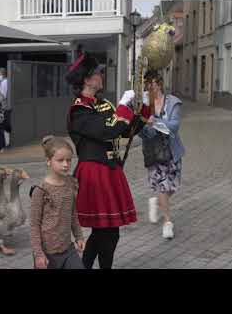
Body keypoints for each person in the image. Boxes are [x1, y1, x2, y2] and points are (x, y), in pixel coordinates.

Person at [66, 52, 147, 269]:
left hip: (109, 170)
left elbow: (124, 132)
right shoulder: (79, 109)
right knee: (107, 233)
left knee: (106, 232)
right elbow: (107, 130)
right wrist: (122, 105)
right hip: (94, 172)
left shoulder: (103, 104)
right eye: (97, 73)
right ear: (86, 79)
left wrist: (143, 109)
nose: (102, 75)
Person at [139, 72, 185, 239]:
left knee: (172, 186)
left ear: (159, 84)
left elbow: (174, 126)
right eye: (147, 85)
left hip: (171, 151)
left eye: (152, 84)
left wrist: (154, 122)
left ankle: (156, 202)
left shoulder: (172, 102)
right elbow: (141, 131)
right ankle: (167, 222)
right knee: (163, 187)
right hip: (153, 152)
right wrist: (144, 127)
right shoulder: (144, 104)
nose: (149, 87)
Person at [30, 135, 85, 269]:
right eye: (60, 160)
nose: (66, 164)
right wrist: (39, 255)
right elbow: (34, 225)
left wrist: (79, 236)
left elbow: (73, 214)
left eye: (68, 160)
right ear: (48, 161)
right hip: (47, 253)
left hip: (68, 249)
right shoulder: (40, 190)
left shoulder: (71, 184)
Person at [0, 67, 11, 147]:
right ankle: (6, 142)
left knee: (3, 124)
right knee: (5, 124)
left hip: (4, 105)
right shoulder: (4, 82)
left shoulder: (4, 82)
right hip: (4, 105)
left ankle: (6, 142)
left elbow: (3, 95)